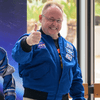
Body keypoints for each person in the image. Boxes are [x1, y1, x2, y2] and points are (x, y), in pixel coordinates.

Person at [12, 1, 86, 100]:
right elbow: (18, 56)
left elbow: (76, 79)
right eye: (51, 19)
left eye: (58, 20)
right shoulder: (31, 39)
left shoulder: (69, 47)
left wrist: (79, 98)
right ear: (41, 18)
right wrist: (27, 43)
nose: (55, 23)